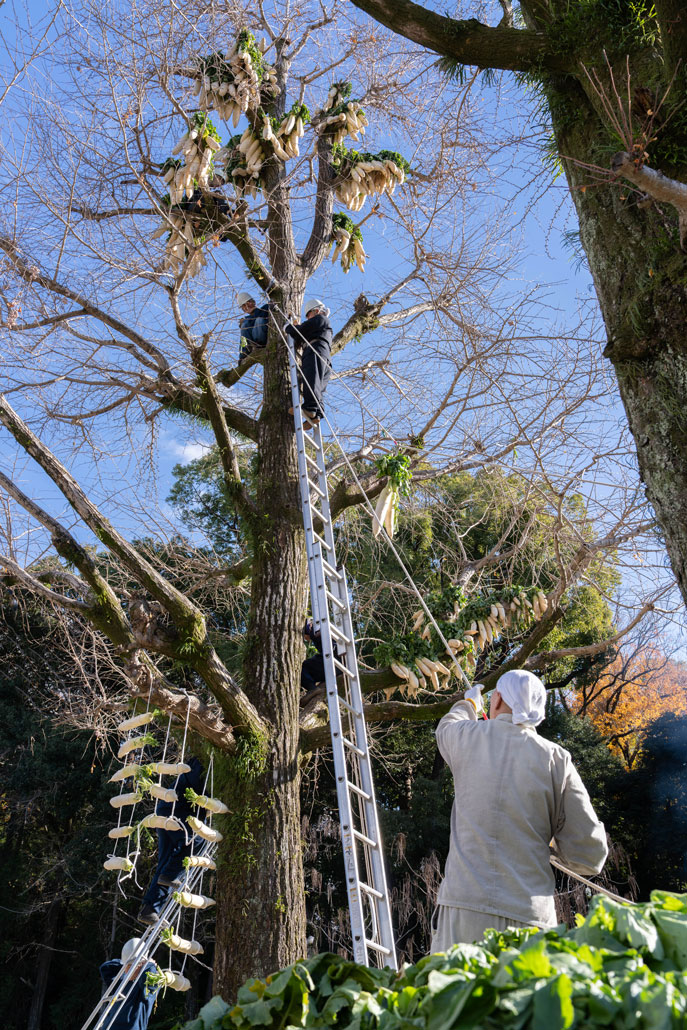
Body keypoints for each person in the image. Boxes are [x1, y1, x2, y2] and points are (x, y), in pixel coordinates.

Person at [431, 669, 608, 952]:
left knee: (454, 994)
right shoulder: (557, 759)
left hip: (465, 910)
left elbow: (446, 728)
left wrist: (469, 704)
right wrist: (551, 844)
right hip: (529, 918)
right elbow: (590, 855)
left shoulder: (467, 737)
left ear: (498, 699)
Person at [138, 756, 204, 925]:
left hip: (166, 810)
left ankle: (150, 909)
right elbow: (197, 780)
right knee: (195, 841)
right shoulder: (204, 765)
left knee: (166, 861)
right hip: (177, 810)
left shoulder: (197, 764)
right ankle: (169, 875)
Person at [286, 299, 332, 427]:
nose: (307, 318)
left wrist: (288, 327)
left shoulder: (320, 319)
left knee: (311, 378)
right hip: (324, 356)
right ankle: (317, 413)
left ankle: (310, 408)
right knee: (318, 386)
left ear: (316, 311)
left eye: (308, 315)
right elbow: (304, 334)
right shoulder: (321, 326)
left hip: (315, 351)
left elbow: (299, 331)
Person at [98, 937, 158, 1030]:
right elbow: (105, 967)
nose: (127, 970)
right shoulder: (121, 981)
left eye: (131, 966)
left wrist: (149, 965)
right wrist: (126, 962)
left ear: (140, 965)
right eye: (127, 965)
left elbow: (150, 980)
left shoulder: (145, 988)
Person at [300, 619, 337, 698]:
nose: (306, 640)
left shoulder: (314, 629)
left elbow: (308, 628)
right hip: (340, 663)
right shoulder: (329, 628)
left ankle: (312, 688)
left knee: (303, 666)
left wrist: (309, 629)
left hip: (333, 661)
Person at [237, 291, 268, 363]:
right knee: (244, 326)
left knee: (259, 320)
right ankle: (244, 353)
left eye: (248, 303)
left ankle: (258, 345)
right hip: (254, 343)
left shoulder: (265, 308)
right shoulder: (246, 321)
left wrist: (254, 312)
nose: (247, 307)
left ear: (254, 302)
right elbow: (243, 338)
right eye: (244, 306)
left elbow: (262, 315)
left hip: (263, 338)